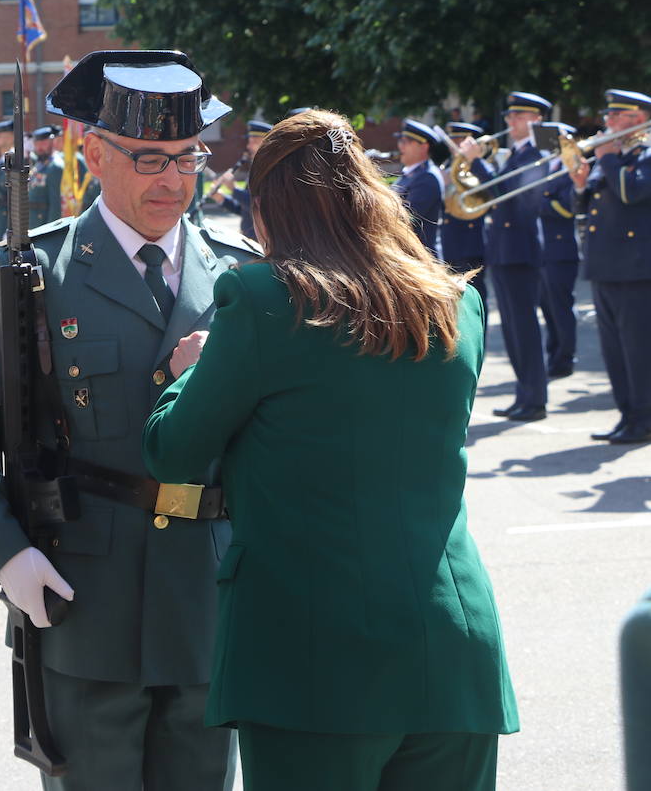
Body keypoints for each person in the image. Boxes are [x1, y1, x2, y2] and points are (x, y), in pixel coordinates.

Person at [144, 109, 518, 791]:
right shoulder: (456, 301)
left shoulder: (259, 296)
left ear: (265, 211)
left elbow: (173, 451)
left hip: (313, 659)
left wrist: (188, 371)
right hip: (452, 647)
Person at [0, 50, 260, 791]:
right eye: (150, 159)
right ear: (93, 154)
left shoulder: (242, 275)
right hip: (83, 601)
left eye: (189, 158)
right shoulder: (34, 273)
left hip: (207, 599)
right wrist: (3, 551)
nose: (175, 180)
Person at [459, 92, 558, 422]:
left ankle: (534, 398)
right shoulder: (516, 151)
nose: (509, 122)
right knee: (514, 329)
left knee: (525, 328)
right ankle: (524, 395)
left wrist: (477, 162)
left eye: (517, 116)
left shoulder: (537, 153)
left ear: (535, 120)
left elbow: (507, 194)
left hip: (521, 250)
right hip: (503, 249)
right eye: (510, 116)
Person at [571, 89, 651, 443]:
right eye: (609, 115)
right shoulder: (615, 156)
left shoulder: (645, 155)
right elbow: (590, 203)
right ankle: (626, 414)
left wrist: (608, 158)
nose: (608, 122)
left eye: (617, 116)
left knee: (637, 350)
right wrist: (579, 185)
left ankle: (643, 419)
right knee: (614, 350)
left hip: (635, 268)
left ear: (640, 119)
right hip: (604, 264)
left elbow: (631, 192)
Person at [536, 122, 580, 378]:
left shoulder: (569, 171)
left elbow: (567, 207)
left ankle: (565, 357)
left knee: (561, 307)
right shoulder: (548, 169)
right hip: (544, 250)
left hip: (562, 250)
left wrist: (540, 202)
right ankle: (553, 353)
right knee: (548, 307)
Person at [440, 122, 488, 308]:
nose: (455, 145)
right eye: (453, 140)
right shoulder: (450, 166)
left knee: (475, 298)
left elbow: (478, 198)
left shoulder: (475, 168)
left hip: (470, 242)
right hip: (450, 239)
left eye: (460, 141)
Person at [208, 119, 270, 242]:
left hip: (263, 242)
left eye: (254, 142)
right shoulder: (256, 169)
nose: (248, 146)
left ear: (266, 143)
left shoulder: (269, 172)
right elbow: (245, 210)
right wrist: (223, 199)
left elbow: (260, 207)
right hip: (251, 240)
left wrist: (234, 189)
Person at [392, 119, 445, 255]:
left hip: (421, 259)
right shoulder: (409, 174)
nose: (401, 147)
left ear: (424, 146)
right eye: (400, 141)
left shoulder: (427, 177)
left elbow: (408, 218)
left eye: (406, 142)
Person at [29, 125, 64, 226]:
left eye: (44, 143)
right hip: (33, 222)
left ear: (52, 142)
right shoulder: (39, 163)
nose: (40, 147)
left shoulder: (55, 166)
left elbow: (55, 204)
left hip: (43, 223)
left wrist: (51, 231)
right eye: (37, 143)